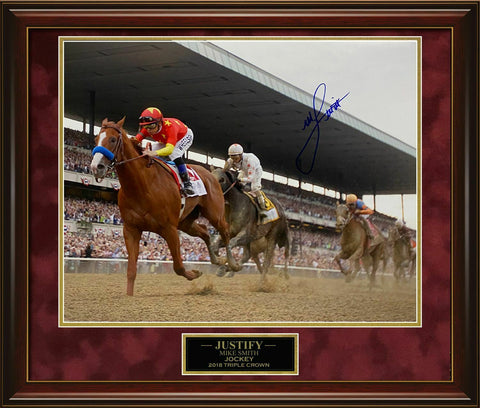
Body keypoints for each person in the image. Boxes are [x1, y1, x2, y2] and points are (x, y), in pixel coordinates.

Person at [135, 107, 194, 195]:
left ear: (159, 123)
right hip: (166, 140)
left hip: (183, 137)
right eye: (145, 126)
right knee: (147, 152)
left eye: (151, 126)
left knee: (175, 153)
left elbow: (169, 150)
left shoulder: (170, 127)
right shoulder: (148, 128)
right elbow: (134, 141)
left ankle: (187, 183)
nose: (148, 130)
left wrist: (154, 153)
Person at [223, 143, 267, 210]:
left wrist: (240, 180)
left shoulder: (250, 160)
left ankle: (263, 205)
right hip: (244, 170)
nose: (234, 160)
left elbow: (250, 178)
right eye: (232, 158)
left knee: (254, 188)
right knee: (237, 185)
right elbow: (225, 170)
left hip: (255, 171)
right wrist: (226, 167)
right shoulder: (231, 160)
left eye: (236, 158)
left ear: (241, 155)